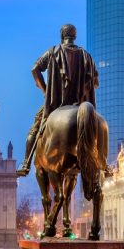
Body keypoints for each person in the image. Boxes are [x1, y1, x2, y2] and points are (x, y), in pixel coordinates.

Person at [16, 24, 99, 176]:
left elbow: (34, 69)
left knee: (35, 128)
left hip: (55, 104)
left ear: (62, 36)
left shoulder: (53, 51)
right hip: (80, 103)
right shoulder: (86, 56)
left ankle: (26, 162)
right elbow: (94, 80)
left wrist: (46, 90)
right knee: (95, 129)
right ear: (74, 36)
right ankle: (103, 164)